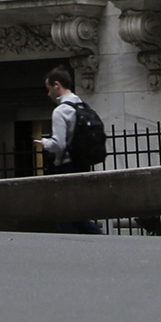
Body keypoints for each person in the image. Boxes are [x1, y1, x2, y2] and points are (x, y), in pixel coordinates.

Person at [41, 66, 105, 235]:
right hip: (82, 164)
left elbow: (59, 144)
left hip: (66, 166)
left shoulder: (61, 111)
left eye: (49, 90)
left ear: (57, 85)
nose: (49, 95)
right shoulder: (83, 106)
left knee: (64, 213)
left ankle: (66, 247)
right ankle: (100, 239)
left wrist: (44, 143)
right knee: (76, 213)